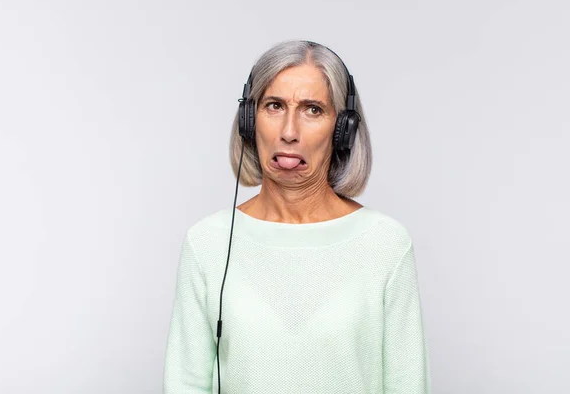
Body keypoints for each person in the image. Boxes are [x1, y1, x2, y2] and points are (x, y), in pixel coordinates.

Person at [163, 39, 432, 393]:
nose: (289, 132)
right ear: (249, 120)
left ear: (343, 130)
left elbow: (407, 385)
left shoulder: (385, 244)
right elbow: (186, 384)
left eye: (313, 110)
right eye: (274, 106)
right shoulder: (207, 244)